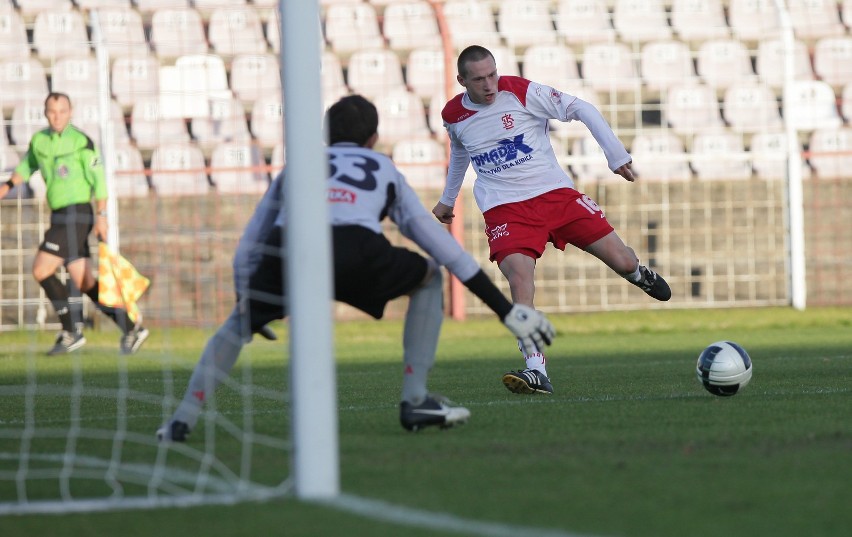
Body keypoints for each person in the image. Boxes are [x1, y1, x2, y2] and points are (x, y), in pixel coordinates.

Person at [156, 94, 556, 440]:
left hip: (291, 251)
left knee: (235, 327)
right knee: (429, 275)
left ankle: (181, 421)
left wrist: (248, 295)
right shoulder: (382, 169)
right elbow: (444, 249)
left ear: (327, 136)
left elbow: (250, 243)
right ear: (373, 139)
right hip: (356, 251)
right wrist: (505, 311)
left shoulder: (298, 167)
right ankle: (415, 399)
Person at [432, 45, 671, 396]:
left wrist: (615, 155)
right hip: (506, 208)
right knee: (519, 281)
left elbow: (581, 108)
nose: (489, 84)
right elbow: (461, 152)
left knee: (622, 261)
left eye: (492, 74)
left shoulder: (521, 91)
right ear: (462, 80)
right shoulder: (453, 114)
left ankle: (638, 273)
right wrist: (447, 198)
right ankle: (536, 370)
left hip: (556, 196)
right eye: (479, 79)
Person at [0, 92, 149, 356]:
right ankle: (131, 327)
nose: (57, 116)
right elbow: (27, 167)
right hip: (58, 214)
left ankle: (71, 331)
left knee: (41, 269)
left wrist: (102, 217)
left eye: (62, 111)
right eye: (52, 111)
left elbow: (100, 182)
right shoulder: (40, 141)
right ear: (45, 113)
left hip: (78, 213)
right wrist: (8, 185)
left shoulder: (82, 142)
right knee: (85, 282)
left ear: (71, 112)